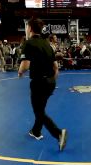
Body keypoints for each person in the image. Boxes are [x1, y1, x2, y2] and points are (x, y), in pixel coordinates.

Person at [18, 18, 67, 151]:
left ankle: (58, 133)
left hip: (39, 82)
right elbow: (55, 66)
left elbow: (25, 65)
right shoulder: (47, 44)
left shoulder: (29, 44)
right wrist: (52, 80)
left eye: (27, 27)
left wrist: (20, 72)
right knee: (41, 109)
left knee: (38, 111)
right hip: (50, 82)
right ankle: (36, 131)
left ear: (30, 29)